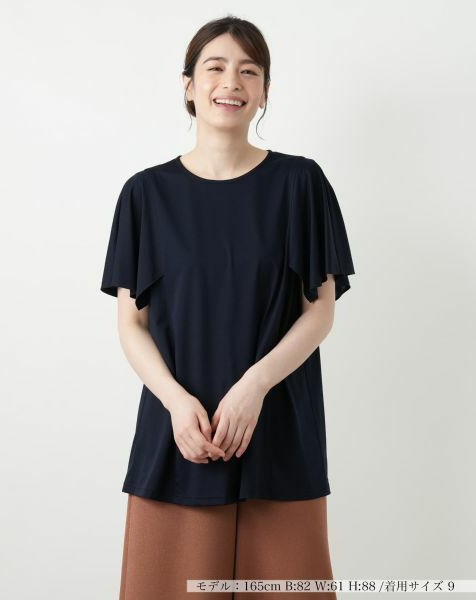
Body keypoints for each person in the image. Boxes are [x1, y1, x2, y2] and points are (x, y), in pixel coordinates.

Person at [100, 15, 355, 600]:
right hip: (180, 437)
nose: (231, 82)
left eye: (249, 71)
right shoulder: (145, 195)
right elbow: (131, 323)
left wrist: (255, 386)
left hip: (279, 432)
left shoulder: (301, 184)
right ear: (188, 85)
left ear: (264, 90)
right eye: (215, 67)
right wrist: (176, 403)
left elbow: (319, 311)